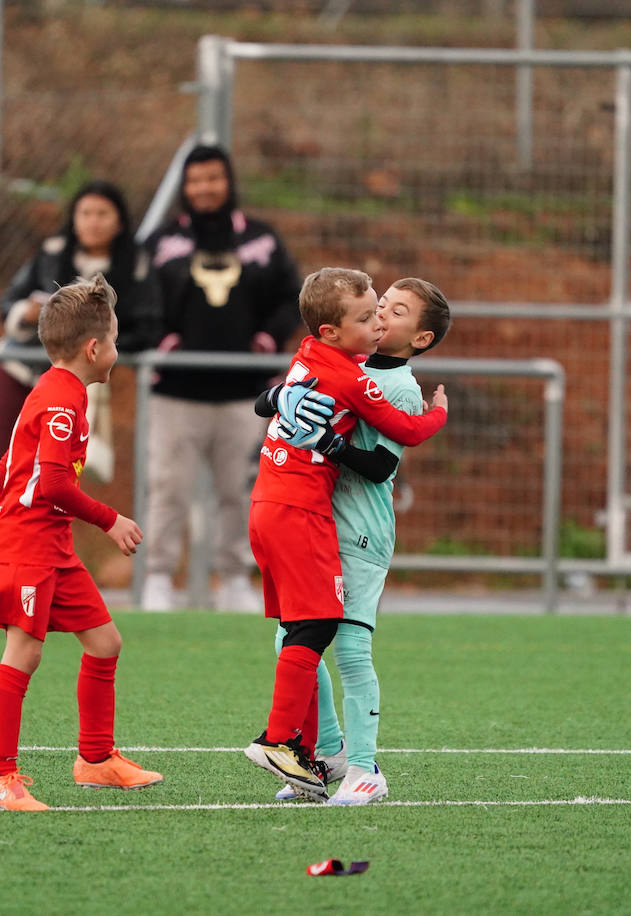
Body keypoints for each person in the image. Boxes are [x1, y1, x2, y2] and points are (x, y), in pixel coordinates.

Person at [243, 267, 448, 801]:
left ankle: (364, 769)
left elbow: (380, 466)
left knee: (351, 647)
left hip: (360, 530)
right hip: (314, 520)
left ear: (420, 339)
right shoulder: (349, 360)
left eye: (396, 311)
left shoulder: (399, 386)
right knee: (294, 639)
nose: (382, 313)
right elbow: (290, 387)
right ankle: (328, 755)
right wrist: (275, 401)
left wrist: (327, 446)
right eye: (381, 303)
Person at [0, 273, 161, 811]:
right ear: (94, 349)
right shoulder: (62, 401)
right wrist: (109, 518)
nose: (117, 350)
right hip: (29, 544)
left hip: (53, 548)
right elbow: (49, 482)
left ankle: (95, 760)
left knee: (105, 642)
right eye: (114, 340)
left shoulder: (53, 389)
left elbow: (9, 464)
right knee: (23, 653)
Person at [139, 144, 302, 612]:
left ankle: (234, 578)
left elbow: (291, 297)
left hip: (245, 395)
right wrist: (162, 338)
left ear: (228, 182)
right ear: (184, 187)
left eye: (212, 178)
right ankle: (158, 579)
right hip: (176, 393)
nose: (204, 189)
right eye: (194, 181)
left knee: (242, 491)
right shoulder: (162, 242)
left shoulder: (261, 239)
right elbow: (139, 299)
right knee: (168, 488)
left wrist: (268, 340)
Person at [0, 180, 159, 481]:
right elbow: (9, 302)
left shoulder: (136, 266)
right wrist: (26, 313)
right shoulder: (53, 252)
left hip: (78, 385)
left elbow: (147, 325)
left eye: (102, 213)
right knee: (6, 466)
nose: (92, 221)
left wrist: (98, 348)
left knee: (57, 475)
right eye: (85, 213)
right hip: (21, 369)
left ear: (119, 221)